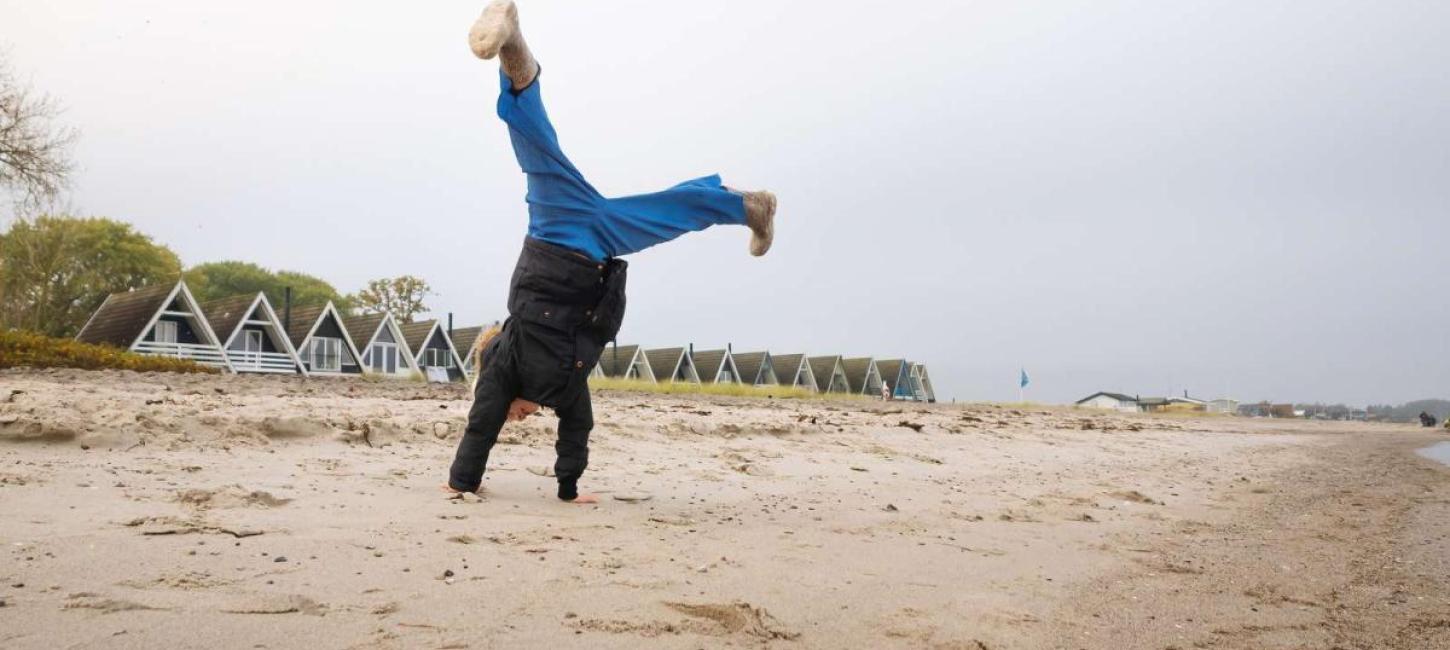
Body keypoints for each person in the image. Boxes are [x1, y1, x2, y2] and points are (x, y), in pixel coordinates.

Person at [446, 0, 778, 504]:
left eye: (512, 415)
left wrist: (461, 483)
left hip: (559, 238)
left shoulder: (504, 365)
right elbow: (576, 430)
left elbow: (481, 425)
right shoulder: (563, 389)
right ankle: (750, 207)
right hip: (589, 241)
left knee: (545, 147)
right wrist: (568, 492)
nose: (514, 419)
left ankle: (512, 43)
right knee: (648, 203)